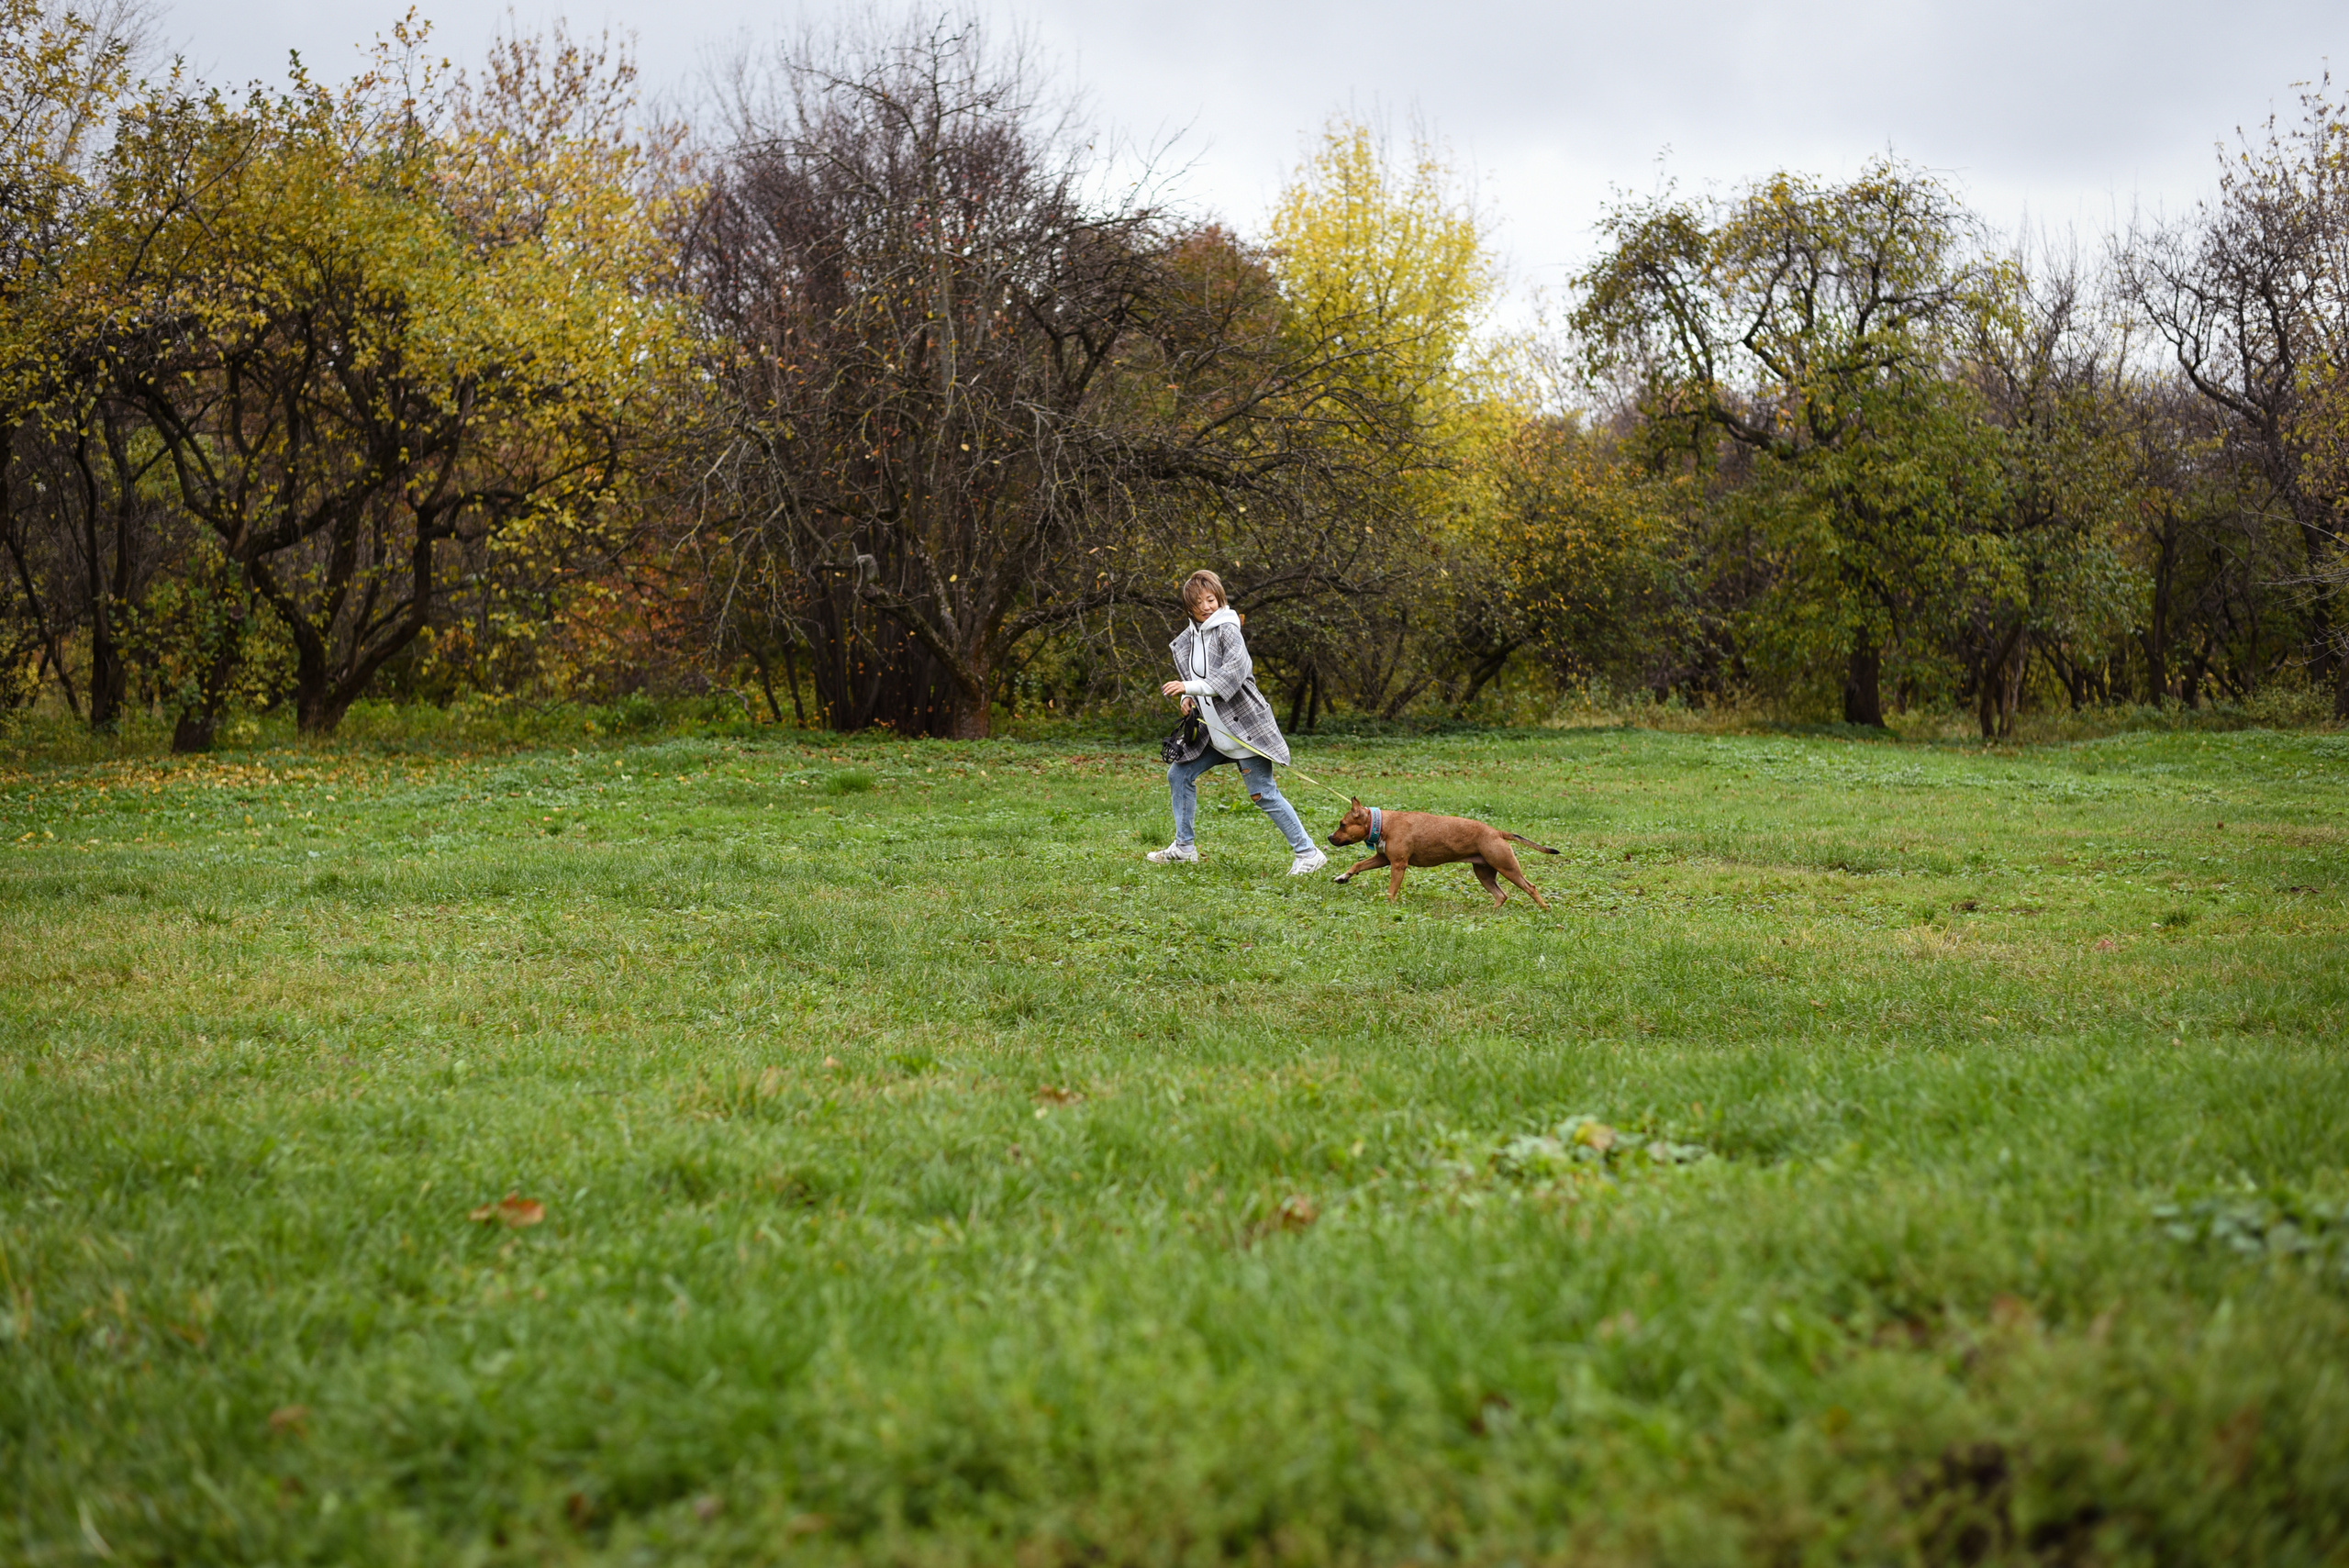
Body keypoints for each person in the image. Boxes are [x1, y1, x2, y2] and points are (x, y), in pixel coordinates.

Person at [1146, 570, 1329, 875]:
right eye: (1199, 602)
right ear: (1189, 607)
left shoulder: (1228, 629)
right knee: (1179, 775)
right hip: (1215, 732)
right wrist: (1186, 698)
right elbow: (1196, 678)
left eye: (1211, 599)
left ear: (1220, 598)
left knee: (1262, 794)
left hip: (1244, 728)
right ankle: (1184, 848)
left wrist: (1188, 687)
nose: (1206, 606)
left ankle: (1308, 853)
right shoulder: (1191, 637)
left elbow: (1234, 674)